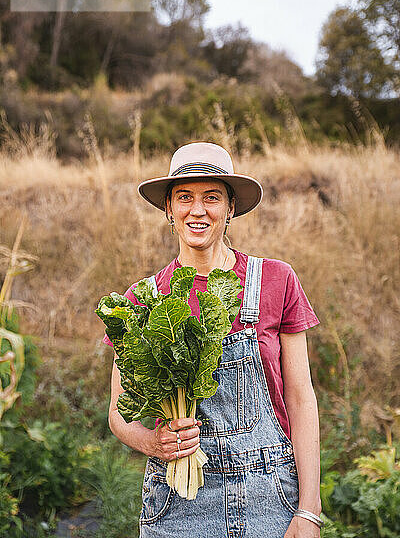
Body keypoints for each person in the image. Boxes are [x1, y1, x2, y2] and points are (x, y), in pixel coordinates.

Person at [103, 142, 323, 538]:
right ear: (168, 208)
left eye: (212, 197)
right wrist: (154, 442)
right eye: (184, 197)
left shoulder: (276, 280)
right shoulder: (140, 301)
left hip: (271, 497)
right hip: (179, 504)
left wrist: (309, 510)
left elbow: (302, 399)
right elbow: (118, 414)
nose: (198, 210)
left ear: (231, 207)